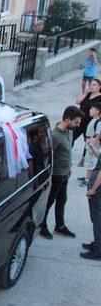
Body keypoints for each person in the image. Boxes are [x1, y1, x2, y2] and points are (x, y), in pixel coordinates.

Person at [39, 106, 84, 240]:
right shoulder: (55, 136)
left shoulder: (70, 132)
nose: (79, 124)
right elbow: (47, 157)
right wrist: (50, 177)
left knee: (62, 199)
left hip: (65, 173)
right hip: (56, 175)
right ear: (68, 120)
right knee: (49, 201)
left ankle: (60, 226)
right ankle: (42, 225)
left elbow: (67, 152)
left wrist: (69, 168)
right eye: (76, 121)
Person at [82, 135, 101, 260]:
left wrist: (93, 189)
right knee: (96, 219)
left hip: (98, 191)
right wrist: (91, 147)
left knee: (98, 220)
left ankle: (98, 251)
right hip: (97, 190)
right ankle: (97, 244)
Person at [74, 78, 101, 155]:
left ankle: (83, 158)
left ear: (99, 87)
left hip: (89, 123)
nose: (91, 86)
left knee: (88, 141)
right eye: (90, 84)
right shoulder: (88, 94)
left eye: (94, 85)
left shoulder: (99, 98)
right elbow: (78, 102)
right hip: (79, 121)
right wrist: (85, 93)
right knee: (72, 137)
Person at [80, 104, 101, 187]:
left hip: (93, 144)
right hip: (89, 142)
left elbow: (98, 136)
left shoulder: (98, 122)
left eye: (92, 109)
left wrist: (94, 148)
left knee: (92, 163)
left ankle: (88, 180)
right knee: (88, 162)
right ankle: (86, 176)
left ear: (98, 111)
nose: (90, 110)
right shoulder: (93, 120)